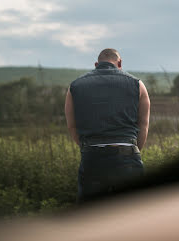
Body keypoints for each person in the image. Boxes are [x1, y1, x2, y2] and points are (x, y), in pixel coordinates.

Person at [64, 48, 151, 202]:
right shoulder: (138, 85)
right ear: (120, 63)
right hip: (127, 154)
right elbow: (143, 125)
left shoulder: (74, 86)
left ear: (96, 64)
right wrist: (132, 151)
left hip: (92, 157)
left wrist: (88, 149)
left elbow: (72, 126)